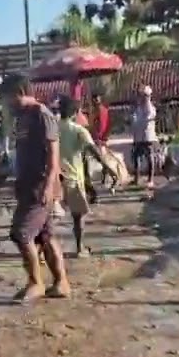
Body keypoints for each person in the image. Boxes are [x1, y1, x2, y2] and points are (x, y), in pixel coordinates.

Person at [3, 73, 69, 302]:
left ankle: (36, 283)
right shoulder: (22, 118)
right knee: (45, 236)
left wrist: (50, 186)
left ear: (20, 93)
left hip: (41, 185)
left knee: (21, 234)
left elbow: (54, 156)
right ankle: (61, 283)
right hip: (27, 185)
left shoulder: (42, 115)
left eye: (8, 98)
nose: (6, 104)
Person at [58, 94, 117, 258]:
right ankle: (79, 248)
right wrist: (111, 170)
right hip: (73, 179)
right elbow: (95, 152)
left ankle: (41, 252)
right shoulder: (78, 130)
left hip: (55, 179)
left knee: (48, 219)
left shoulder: (53, 127)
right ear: (75, 112)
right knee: (78, 216)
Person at [130, 85, 159, 188]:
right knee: (136, 157)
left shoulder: (151, 109)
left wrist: (137, 122)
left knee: (149, 158)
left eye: (144, 96)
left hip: (148, 137)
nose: (142, 98)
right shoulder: (139, 108)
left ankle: (150, 179)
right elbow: (135, 119)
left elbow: (145, 121)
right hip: (138, 137)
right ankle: (136, 178)